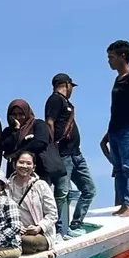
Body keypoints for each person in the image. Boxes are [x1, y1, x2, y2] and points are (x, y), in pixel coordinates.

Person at [45, 73, 96, 237]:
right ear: (66, 84)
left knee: (89, 190)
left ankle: (75, 224)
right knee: (62, 193)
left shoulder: (66, 103)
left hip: (76, 154)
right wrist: (52, 147)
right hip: (64, 154)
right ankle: (59, 229)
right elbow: (49, 122)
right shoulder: (55, 99)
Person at [102, 40, 129, 217]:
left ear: (123, 56)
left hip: (128, 130)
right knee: (119, 168)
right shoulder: (117, 79)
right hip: (115, 129)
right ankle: (124, 203)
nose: (109, 61)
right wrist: (108, 133)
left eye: (111, 57)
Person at [7, 150, 59, 255]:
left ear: (33, 167)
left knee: (28, 242)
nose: (24, 166)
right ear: (14, 164)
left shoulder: (41, 185)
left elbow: (52, 213)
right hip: (14, 232)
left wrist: (39, 227)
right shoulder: (6, 187)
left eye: (28, 163)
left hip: (40, 234)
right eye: (21, 162)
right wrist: (16, 227)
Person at [0, 100, 63, 184]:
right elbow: (6, 147)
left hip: (39, 171)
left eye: (21, 114)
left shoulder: (38, 125)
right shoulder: (8, 131)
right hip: (15, 174)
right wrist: (16, 130)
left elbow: (40, 143)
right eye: (14, 115)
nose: (18, 117)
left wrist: (17, 154)